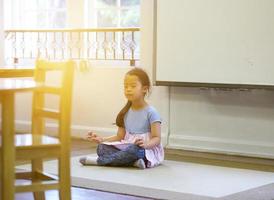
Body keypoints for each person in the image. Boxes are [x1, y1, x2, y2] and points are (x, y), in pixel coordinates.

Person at [79, 67, 164, 169]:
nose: (128, 89)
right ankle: (133, 162)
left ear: (144, 89)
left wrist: (146, 144)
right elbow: (119, 137)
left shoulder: (151, 112)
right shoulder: (125, 112)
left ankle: (98, 161)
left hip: (145, 150)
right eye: (126, 86)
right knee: (101, 148)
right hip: (126, 147)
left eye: (133, 86)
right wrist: (101, 139)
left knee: (134, 150)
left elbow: (157, 138)